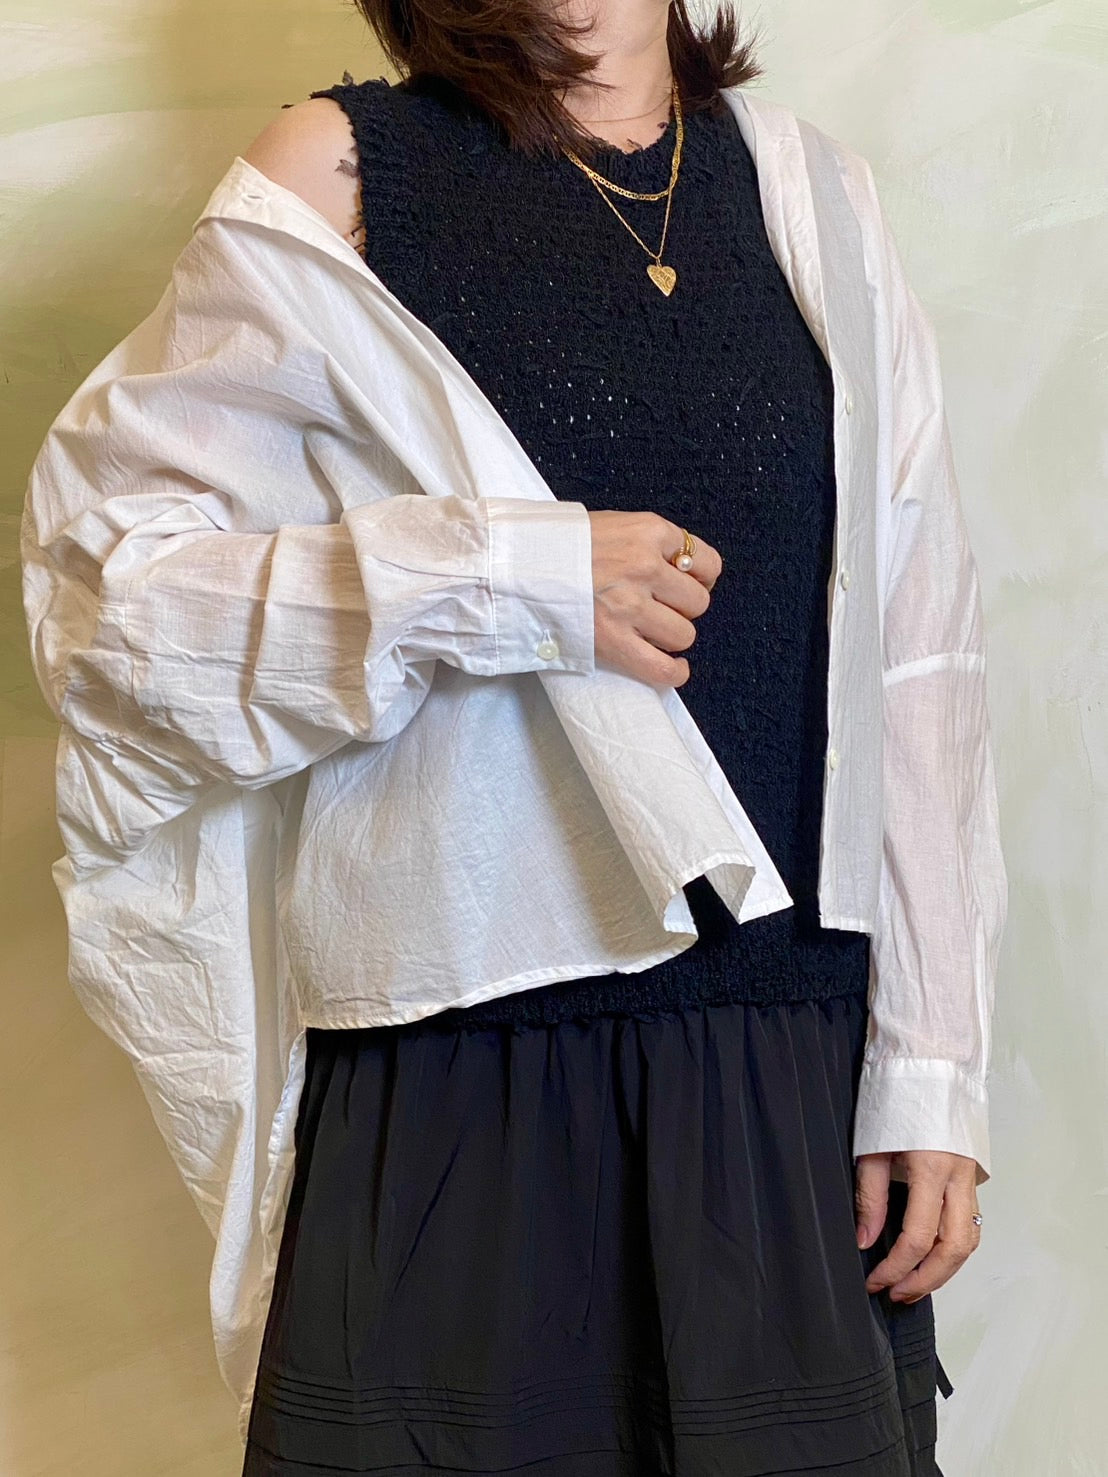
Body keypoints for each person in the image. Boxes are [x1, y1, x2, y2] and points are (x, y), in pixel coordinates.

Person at [20, 0, 1007, 1473]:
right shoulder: (337, 176)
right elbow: (116, 612)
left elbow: (918, 656)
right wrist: (503, 580)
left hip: (787, 1073)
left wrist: (931, 1062)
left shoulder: (813, 193)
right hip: (462, 1078)